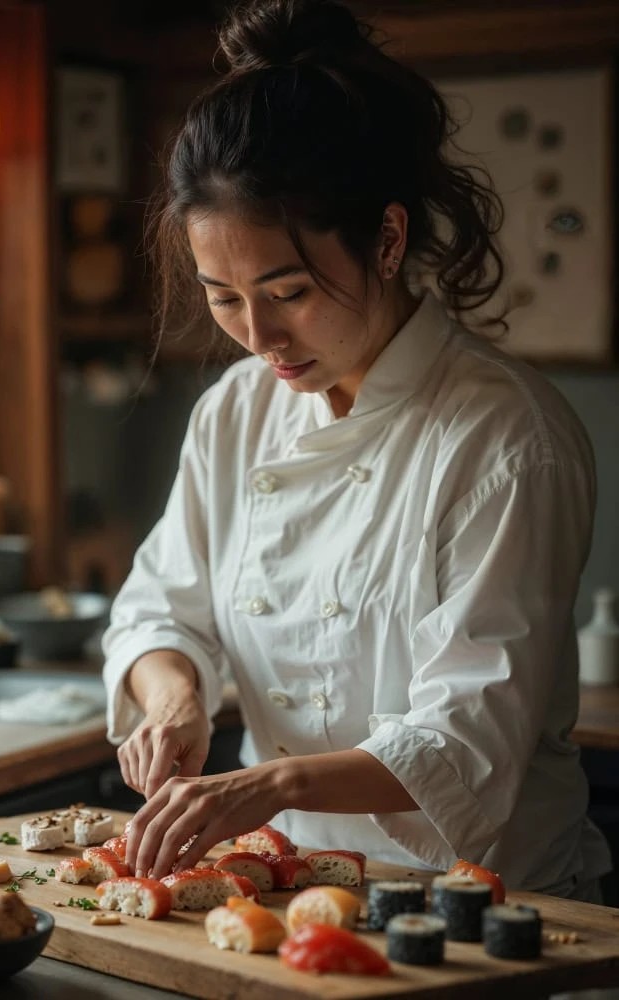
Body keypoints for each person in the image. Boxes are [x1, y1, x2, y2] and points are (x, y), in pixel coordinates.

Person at [102, 0, 612, 901]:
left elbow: (465, 739)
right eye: (224, 297)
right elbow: (159, 610)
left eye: (287, 290)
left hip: (484, 903)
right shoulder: (236, 413)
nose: (258, 335)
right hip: (291, 883)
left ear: (386, 238)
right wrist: (174, 698)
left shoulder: (505, 439)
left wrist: (267, 783)